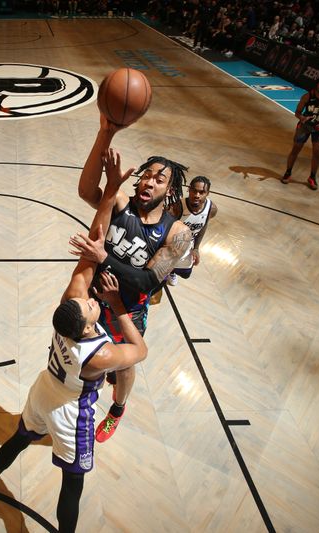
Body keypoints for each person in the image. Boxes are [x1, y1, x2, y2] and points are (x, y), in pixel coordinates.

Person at [0, 148, 147, 533]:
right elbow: (141, 351)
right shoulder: (97, 357)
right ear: (87, 328)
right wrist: (117, 305)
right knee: (73, 484)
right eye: (91, 307)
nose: (89, 301)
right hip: (70, 413)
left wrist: (110, 191)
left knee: (18, 437)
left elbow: (91, 248)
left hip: (43, 391)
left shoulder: (67, 309)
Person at [74, 118, 193, 443]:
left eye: (159, 179)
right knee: (85, 358)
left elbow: (147, 282)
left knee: (125, 367)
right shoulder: (121, 204)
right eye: (147, 175)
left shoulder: (177, 233)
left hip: (129, 309)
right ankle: (81, 395)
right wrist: (103, 136)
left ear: (169, 190)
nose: (149, 182)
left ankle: (117, 409)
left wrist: (104, 258)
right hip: (94, 300)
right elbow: (86, 190)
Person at [281, 76, 319, 190]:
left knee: (317, 153)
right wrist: (302, 118)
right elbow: (297, 112)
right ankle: (288, 172)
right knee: (295, 149)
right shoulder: (307, 96)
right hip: (305, 126)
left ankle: (312, 177)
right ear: (316, 84)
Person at [165, 175, 219, 286]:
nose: (197, 195)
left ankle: (172, 272)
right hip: (171, 245)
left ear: (207, 193)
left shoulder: (211, 209)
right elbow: (164, 229)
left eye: (201, 192)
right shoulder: (177, 207)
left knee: (185, 274)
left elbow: (203, 226)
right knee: (161, 273)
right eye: (194, 191)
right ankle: (168, 272)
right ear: (189, 189)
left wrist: (196, 248)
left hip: (188, 246)